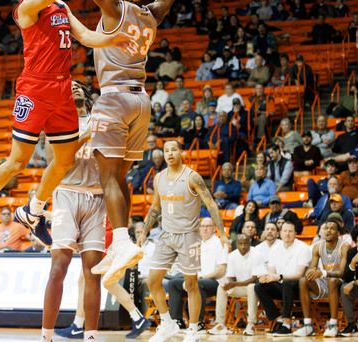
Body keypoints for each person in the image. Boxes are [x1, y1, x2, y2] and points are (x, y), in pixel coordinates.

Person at [0, 0, 134, 251]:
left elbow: (85, 36)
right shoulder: (27, 6)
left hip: (62, 88)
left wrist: (115, 39)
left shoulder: (60, 5)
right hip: (34, 88)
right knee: (18, 162)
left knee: (65, 161)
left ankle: (33, 211)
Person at [45, 81, 151, 341]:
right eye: (69, 87)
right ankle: (45, 335)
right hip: (67, 193)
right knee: (59, 265)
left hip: (96, 197)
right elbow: (55, 161)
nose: (75, 88)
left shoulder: (102, 120)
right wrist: (85, 135)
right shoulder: (58, 121)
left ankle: (90, 335)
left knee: (92, 271)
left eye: (79, 86)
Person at [139, 140, 228, 342]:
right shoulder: (159, 178)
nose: (169, 153)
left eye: (173, 150)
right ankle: (167, 323)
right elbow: (155, 207)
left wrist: (222, 233)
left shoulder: (192, 176)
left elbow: (211, 205)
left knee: (190, 284)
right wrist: (144, 231)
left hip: (189, 235)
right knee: (153, 280)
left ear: (181, 152)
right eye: (166, 150)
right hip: (166, 235)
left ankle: (194, 329)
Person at [293, 216, 350, 337]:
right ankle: (307, 325)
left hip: (340, 283)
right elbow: (312, 269)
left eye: (332, 229)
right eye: (326, 228)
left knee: (333, 281)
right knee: (304, 281)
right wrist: (310, 272)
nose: (328, 231)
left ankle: (333, 325)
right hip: (325, 282)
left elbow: (343, 273)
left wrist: (323, 273)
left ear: (338, 233)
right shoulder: (318, 246)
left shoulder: (344, 246)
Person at [253, 221, 312, 336]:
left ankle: (287, 324)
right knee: (259, 286)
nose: (287, 234)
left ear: (295, 233)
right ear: (280, 233)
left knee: (287, 282)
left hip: (298, 287)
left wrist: (278, 276)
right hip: (281, 286)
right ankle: (278, 319)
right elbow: (271, 272)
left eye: (290, 231)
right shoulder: (275, 248)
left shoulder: (303, 248)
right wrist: (266, 277)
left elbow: (299, 274)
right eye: (285, 231)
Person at [208, 234, 259, 336]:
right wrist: (228, 283)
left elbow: (255, 279)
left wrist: (234, 283)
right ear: (236, 244)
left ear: (250, 243)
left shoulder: (257, 254)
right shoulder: (232, 256)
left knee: (251, 287)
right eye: (240, 244)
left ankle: (251, 324)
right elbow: (231, 276)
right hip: (239, 287)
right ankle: (220, 324)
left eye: (245, 244)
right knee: (221, 287)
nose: (243, 246)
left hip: (255, 288)